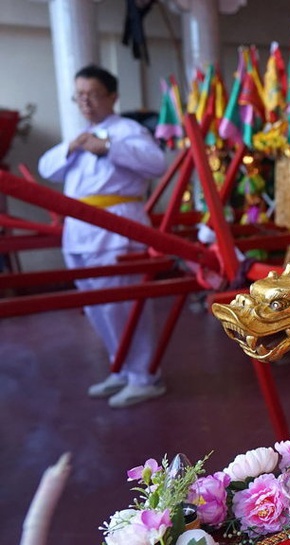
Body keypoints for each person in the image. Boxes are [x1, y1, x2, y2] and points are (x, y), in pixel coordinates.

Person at [38, 64, 168, 408]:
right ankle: (121, 367)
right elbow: (45, 169)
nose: (85, 102)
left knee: (122, 305)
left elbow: (157, 164)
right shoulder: (82, 136)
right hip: (79, 230)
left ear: (112, 96)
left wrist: (107, 147)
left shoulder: (127, 131)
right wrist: (74, 146)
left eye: (92, 94)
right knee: (96, 306)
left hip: (116, 226)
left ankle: (144, 376)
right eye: (79, 95)